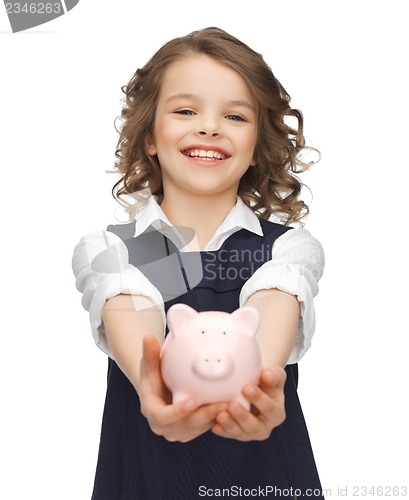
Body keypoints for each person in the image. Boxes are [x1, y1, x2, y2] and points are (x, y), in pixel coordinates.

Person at [72, 27, 325, 499]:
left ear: (255, 147)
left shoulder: (289, 250)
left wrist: (254, 390)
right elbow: (132, 304)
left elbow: (270, 305)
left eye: (234, 115)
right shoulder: (113, 250)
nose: (209, 126)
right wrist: (156, 387)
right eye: (186, 110)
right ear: (149, 136)